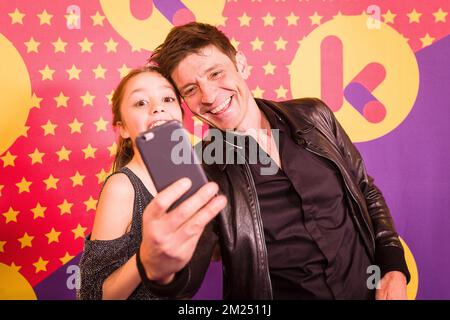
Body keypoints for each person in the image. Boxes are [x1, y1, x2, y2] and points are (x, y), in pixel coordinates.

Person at [137, 22, 411, 300]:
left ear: (240, 64)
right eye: (191, 90)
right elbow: (187, 272)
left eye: (216, 73)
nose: (208, 96)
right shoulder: (200, 171)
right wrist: (160, 271)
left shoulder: (315, 115)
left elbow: (364, 189)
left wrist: (393, 269)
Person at [78, 66, 227, 299]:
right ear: (123, 128)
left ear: (180, 114)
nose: (157, 107)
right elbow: (91, 294)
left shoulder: (198, 178)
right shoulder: (122, 187)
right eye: (140, 102)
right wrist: (145, 257)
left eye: (167, 98)